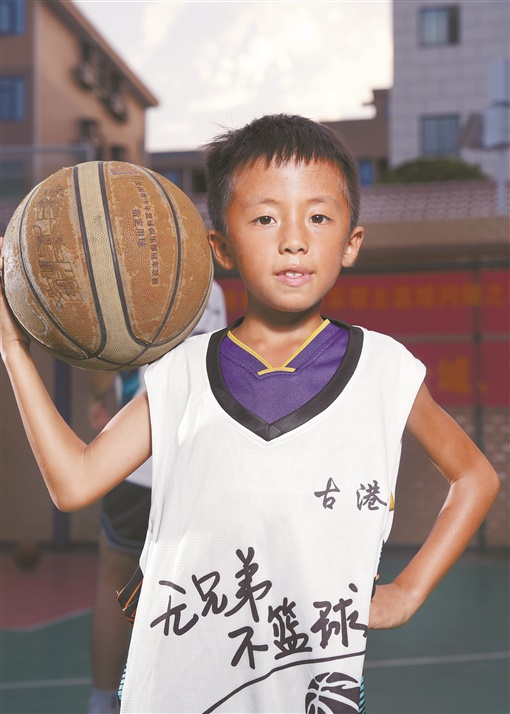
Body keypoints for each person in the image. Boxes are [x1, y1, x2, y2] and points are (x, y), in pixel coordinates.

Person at [0, 114, 499, 714]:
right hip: (174, 689)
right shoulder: (182, 371)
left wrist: (407, 593)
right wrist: (13, 349)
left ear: (352, 242)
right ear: (222, 248)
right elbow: (75, 482)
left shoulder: (384, 368)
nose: (294, 239)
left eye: (318, 218)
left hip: (309, 690)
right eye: (265, 219)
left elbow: (475, 476)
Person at [87, 282, 227, 714]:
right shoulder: (208, 290)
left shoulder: (120, 281)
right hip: (200, 463)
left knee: (114, 579)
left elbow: (100, 363)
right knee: (208, 588)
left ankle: (102, 700)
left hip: (135, 459)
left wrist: (99, 398)